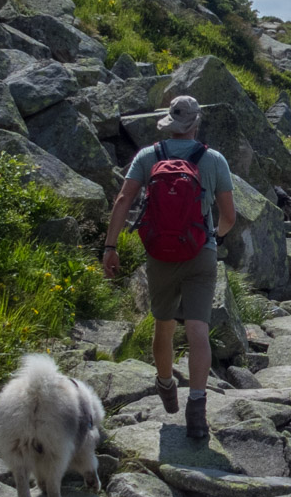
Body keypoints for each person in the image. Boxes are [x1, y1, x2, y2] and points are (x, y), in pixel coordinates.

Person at [101, 95, 236, 441]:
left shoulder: (148, 156)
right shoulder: (214, 160)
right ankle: (197, 407)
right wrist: (213, 237)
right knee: (197, 330)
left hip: (160, 254)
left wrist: (111, 247)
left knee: (163, 327)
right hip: (200, 253)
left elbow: (123, 200)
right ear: (195, 125)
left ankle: (165, 384)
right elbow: (229, 216)